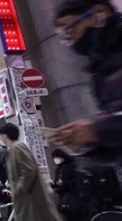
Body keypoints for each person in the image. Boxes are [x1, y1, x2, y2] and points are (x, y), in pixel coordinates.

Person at [0, 123, 86, 221]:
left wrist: (17, 189)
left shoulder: (18, 148)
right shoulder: (13, 150)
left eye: (0, 135)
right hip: (25, 200)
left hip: (29, 200)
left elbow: (29, 170)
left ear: (5, 135)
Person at [52, 0, 122, 166]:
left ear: (99, 12)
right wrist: (89, 142)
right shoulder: (99, 71)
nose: (71, 41)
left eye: (70, 30)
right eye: (64, 38)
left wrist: (98, 130)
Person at [50, 149, 87, 221]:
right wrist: (54, 184)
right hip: (65, 198)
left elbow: (78, 183)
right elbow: (58, 184)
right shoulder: (59, 168)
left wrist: (64, 183)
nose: (55, 160)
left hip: (74, 198)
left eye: (56, 157)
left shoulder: (72, 166)